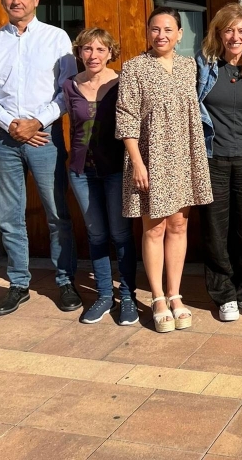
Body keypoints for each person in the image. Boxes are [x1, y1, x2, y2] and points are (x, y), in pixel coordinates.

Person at [0, 0, 80, 316]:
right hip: (5, 139)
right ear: (2, 0)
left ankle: (65, 281)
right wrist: (12, 124)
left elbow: (67, 92)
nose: (15, 1)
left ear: (36, 0)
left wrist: (36, 122)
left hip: (44, 138)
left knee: (56, 213)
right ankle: (19, 283)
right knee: (9, 216)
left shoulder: (56, 38)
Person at [116, 6, 213, 333]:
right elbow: (126, 117)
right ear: (148, 32)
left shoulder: (188, 67)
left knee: (178, 227)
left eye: (168, 29)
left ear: (180, 35)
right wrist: (138, 163)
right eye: (155, 29)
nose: (161, 35)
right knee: (154, 228)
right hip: (150, 158)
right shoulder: (134, 68)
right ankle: (157, 297)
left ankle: (175, 294)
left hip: (183, 157)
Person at [63, 27, 138, 326]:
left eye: (99, 50)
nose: (93, 55)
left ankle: (129, 296)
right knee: (96, 234)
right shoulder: (69, 85)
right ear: (79, 53)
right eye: (87, 49)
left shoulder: (123, 82)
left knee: (120, 234)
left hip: (116, 170)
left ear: (110, 53)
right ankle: (104, 296)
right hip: (81, 171)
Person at [196, 3, 242, 322]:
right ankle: (223, 293)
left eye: (241, 31)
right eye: (229, 30)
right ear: (219, 33)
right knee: (215, 228)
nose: (235, 37)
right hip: (213, 159)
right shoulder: (203, 66)